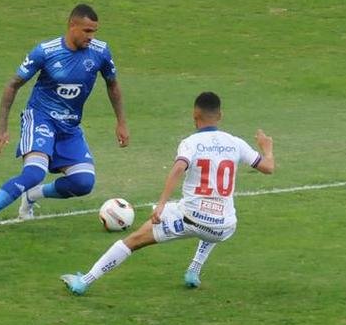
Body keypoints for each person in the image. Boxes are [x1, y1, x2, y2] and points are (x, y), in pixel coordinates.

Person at [61, 91, 273, 294]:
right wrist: (267, 148)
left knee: (134, 240)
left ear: (194, 115)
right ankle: (193, 271)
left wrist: (161, 204)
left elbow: (179, 168)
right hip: (225, 227)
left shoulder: (190, 143)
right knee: (215, 213)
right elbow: (268, 167)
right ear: (220, 115)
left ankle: (84, 281)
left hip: (190, 219)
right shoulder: (236, 143)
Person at [0, 4, 129, 237]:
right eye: (87, 31)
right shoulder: (46, 51)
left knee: (83, 183)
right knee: (33, 173)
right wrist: (2, 128)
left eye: (94, 31)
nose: (91, 37)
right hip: (41, 118)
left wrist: (121, 122)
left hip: (70, 126)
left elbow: (112, 84)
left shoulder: (100, 52)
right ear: (72, 26)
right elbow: (13, 85)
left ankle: (32, 195)